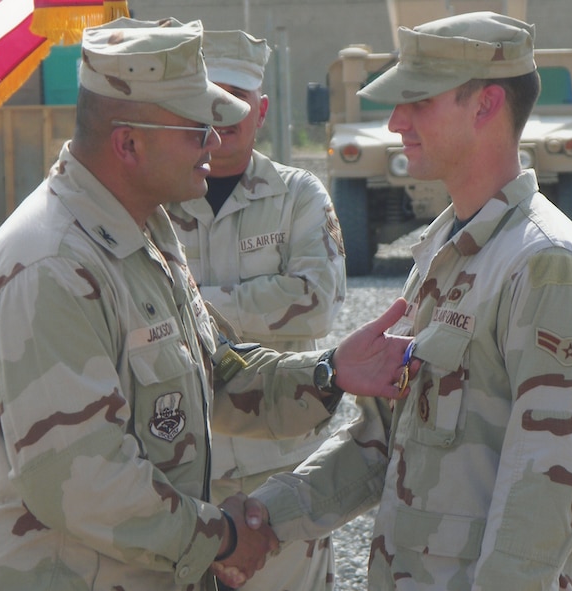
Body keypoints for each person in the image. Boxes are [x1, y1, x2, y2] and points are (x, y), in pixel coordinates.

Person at [0, 17, 416, 591]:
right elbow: (85, 480)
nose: (215, 142)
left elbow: (211, 372)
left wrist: (329, 372)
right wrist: (221, 537)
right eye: (196, 129)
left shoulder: (142, 231)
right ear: (128, 142)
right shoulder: (51, 265)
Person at [243, 11, 572, 590]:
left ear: (486, 105)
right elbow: (384, 440)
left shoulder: (548, 264)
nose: (395, 121)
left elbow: (551, 481)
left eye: (417, 102)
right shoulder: (447, 249)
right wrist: (265, 517)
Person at [165, 29, 346, 591]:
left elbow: (316, 303)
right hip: (182, 468)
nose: (222, 117)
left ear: (262, 109)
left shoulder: (299, 196)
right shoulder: (156, 196)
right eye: (210, 99)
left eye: (236, 101)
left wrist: (191, 308)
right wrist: (266, 297)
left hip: (280, 466)